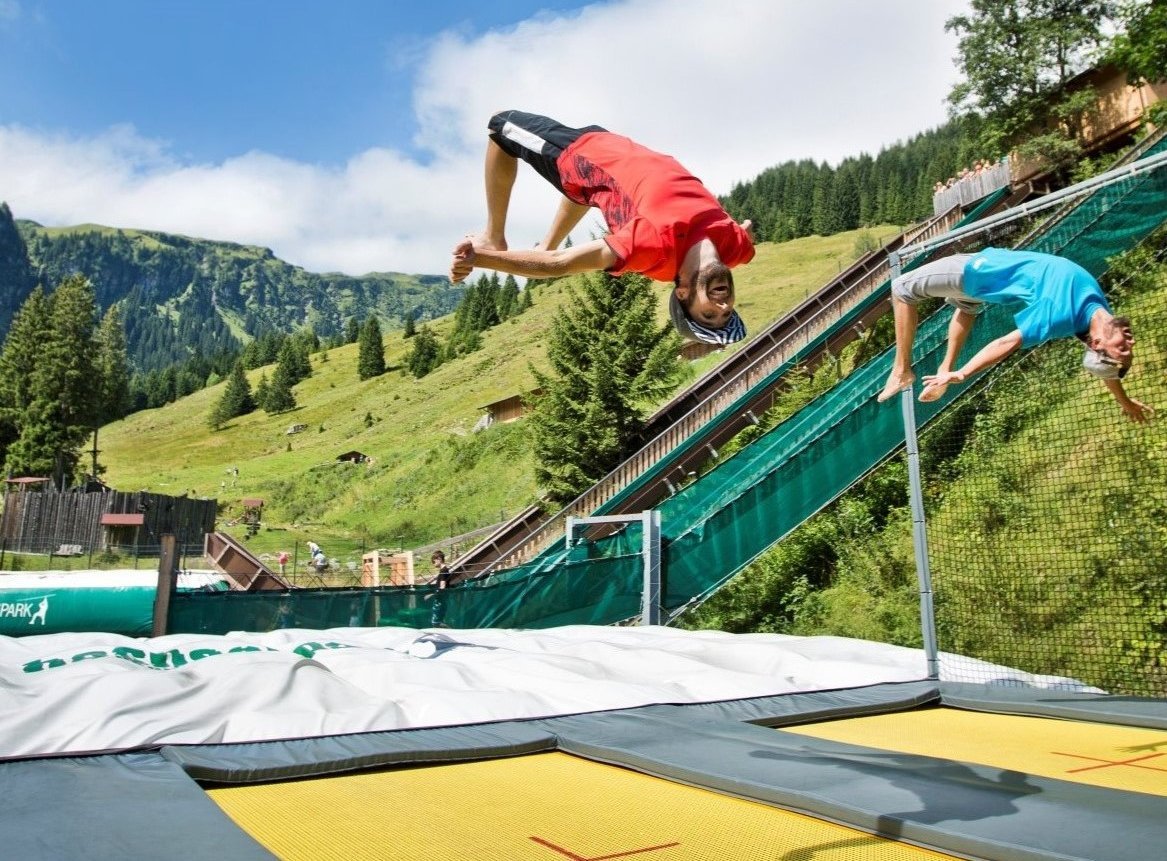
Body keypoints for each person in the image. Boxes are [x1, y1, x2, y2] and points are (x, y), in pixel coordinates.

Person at [450, 109, 756, 346]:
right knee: (599, 193)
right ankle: (546, 241)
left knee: (500, 127)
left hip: (580, 155)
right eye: (727, 312)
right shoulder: (736, 248)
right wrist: (745, 232)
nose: (723, 304)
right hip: (613, 150)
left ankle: (494, 236)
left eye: (708, 314)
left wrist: (481, 258)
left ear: (683, 293)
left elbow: (560, 265)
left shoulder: (652, 249)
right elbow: (745, 234)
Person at [877, 247, 1152, 423]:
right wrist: (1124, 401)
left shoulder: (1060, 316)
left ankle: (902, 370)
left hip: (977, 272)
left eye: (1123, 350)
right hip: (988, 282)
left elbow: (1006, 342)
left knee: (902, 288)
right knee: (966, 308)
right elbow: (1108, 371)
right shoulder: (1101, 313)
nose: (1131, 342)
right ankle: (943, 371)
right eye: (1129, 348)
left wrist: (964, 373)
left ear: (1096, 344)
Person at [429, 549, 452, 628]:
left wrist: (431, 595)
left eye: (434, 561)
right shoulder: (444, 570)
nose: (433, 564)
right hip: (442, 599)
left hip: (440, 600)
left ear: (439, 559)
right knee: (439, 620)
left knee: (435, 621)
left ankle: (449, 630)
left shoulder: (443, 571)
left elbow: (442, 587)